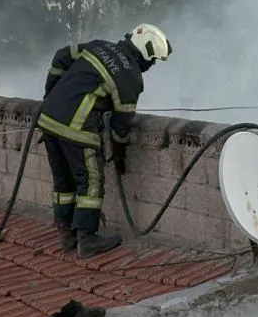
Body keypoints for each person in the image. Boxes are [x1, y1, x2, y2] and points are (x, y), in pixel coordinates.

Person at [39, 24, 172, 258]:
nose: (152, 66)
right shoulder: (131, 77)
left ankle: (66, 234)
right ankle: (87, 239)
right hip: (77, 129)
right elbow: (122, 126)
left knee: (63, 181)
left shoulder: (99, 46)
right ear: (145, 54)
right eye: (153, 61)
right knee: (91, 181)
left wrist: (50, 95)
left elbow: (61, 56)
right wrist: (119, 154)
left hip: (48, 119)